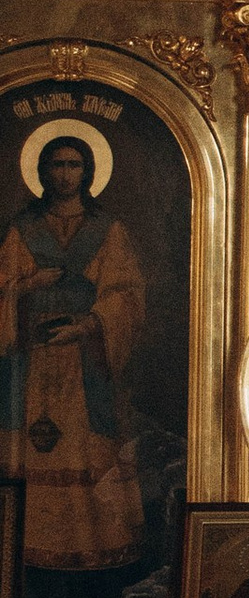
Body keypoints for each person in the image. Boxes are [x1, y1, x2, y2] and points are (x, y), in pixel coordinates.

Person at [0, 130, 146, 575]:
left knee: (86, 454)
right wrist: (30, 285)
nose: (65, 175)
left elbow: (125, 296)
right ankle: (24, 573)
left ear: (88, 171)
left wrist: (87, 325)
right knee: (31, 453)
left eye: (73, 165)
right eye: (56, 165)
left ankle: (93, 568)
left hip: (84, 362)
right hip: (30, 362)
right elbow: (3, 289)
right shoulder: (22, 230)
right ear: (41, 171)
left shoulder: (108, 231)